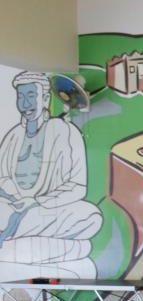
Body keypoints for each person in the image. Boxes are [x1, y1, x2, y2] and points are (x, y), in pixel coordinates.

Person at [0, 70, 103, 278]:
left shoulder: (66, 131)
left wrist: (36, 201)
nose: (25, 104)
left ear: (46, 98)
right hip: (14, 208)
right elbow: (2, 178)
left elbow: (77, 187)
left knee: (91, 216)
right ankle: (55, 247)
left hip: (47, 210)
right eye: (21, 97)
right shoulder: (13, 136)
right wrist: (15, 197)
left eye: (31, 96)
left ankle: (14, 243)